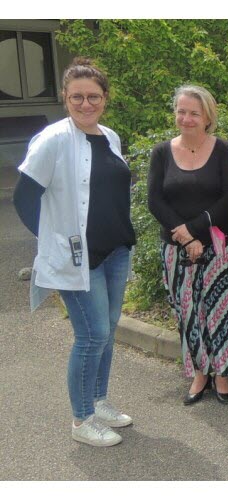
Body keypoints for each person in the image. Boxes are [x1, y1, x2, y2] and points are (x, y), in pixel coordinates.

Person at [14, 58, 135, 446]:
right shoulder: (52, 140)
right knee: (91, 335)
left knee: (108, 331)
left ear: (105, 98)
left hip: (115, 250)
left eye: (94, 96)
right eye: (77, 97)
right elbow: (24, 198)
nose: (86, 104)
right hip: (77, 258)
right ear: (65, 98)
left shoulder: (110, 136)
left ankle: (98, 401)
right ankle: (81, 420)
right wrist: (52, 241)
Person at [147, 85, 228, 406]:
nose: (186, 119)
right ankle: (200, 372)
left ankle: (222, 373)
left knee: (221, 310)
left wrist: (196, 230)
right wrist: (185, 236)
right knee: (189, 311)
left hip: (219, 245)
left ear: (207, 117)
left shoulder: (223, 150)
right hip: (176, 248)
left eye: (194, 113)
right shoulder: (161, 152)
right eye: (181, 112)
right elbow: (155, 200)